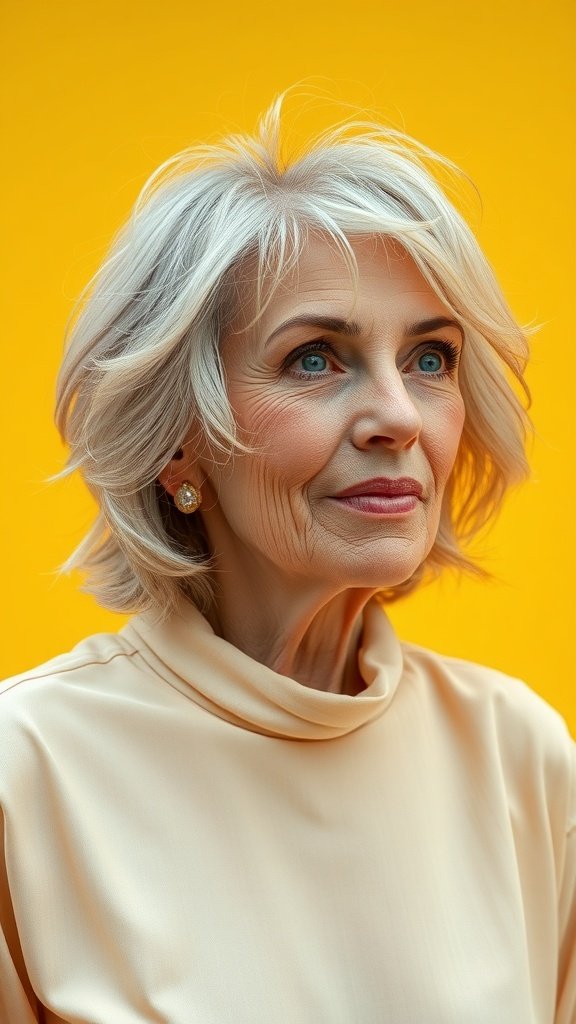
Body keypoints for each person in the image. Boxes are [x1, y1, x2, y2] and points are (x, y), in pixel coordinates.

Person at [0, 97, 574, 1024]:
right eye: (315, 359)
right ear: (177, 440)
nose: (398, 415)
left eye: (430, 360)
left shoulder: (522, 758)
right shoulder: (25, 775)